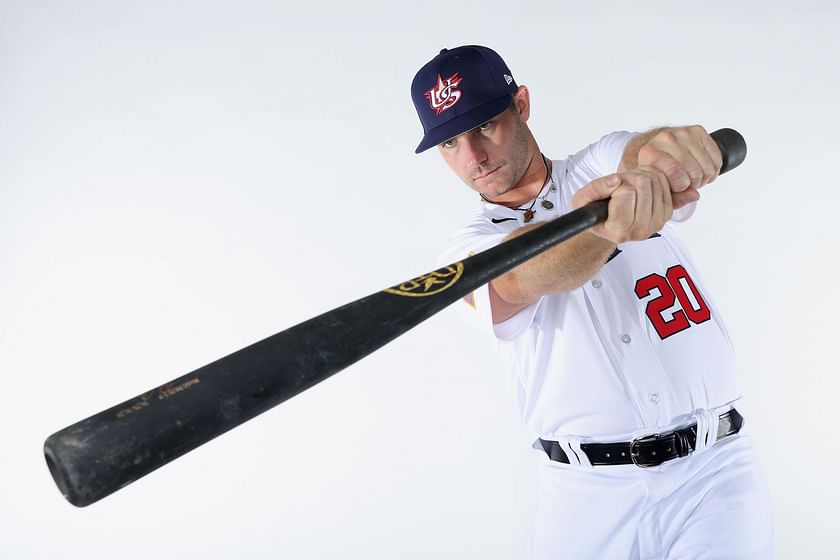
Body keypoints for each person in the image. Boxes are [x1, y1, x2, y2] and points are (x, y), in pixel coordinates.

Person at [410, 45, 773, 559]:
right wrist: (599, 230)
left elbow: (637, 154)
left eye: (484, 126)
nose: (474, 157)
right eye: (450, 143)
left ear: (522, 104)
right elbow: (519, 276)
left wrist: (663, 155)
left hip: (714, 475)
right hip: (586, 499)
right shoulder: (466, 250)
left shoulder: (597, 165)